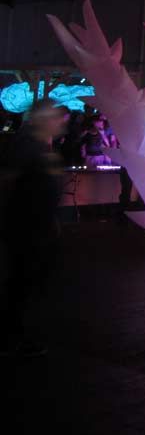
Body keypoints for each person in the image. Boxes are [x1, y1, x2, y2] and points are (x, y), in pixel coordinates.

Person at [0, 100, 66, 358]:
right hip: (24, 227)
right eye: (56, 117)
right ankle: (11, 337)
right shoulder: (26, 146)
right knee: (22, 281)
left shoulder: (40, 146)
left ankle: (15, 333)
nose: (62, 123)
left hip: (37, 226)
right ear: (42, 118)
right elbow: (7, 181)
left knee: (27, 280)